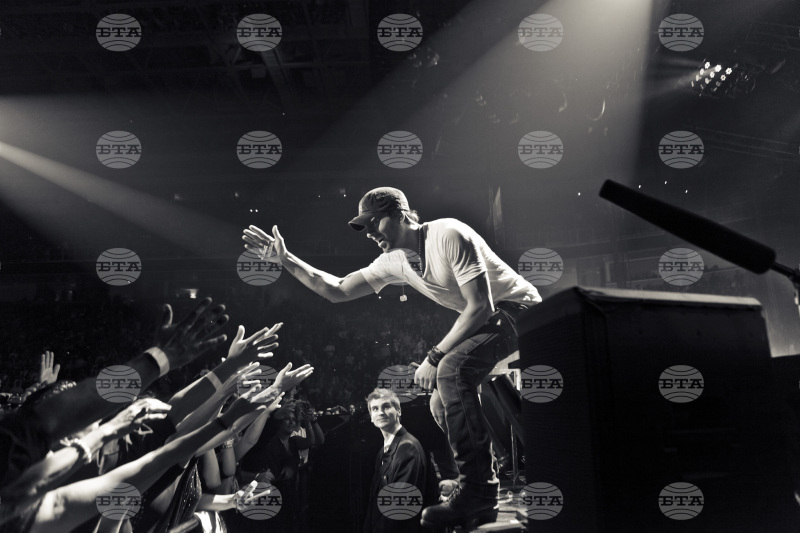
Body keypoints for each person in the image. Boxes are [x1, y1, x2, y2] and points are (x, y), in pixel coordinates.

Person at [242, 186, 541, 528]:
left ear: (400, 214)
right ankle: (491, 477)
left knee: (450, 370)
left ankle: (479, 492)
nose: (369, 232)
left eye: (374, 223)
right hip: (489, 322)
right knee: (439, 403)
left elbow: (481, 306)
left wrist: (434, 355)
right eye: (363, 227)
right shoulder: (395, 261)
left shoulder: (448, 234)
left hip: (521, 313)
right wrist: (285, 259)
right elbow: (336, 290)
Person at [363, 388, 429, 533]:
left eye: (386, 406)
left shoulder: (407, 447)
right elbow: (374, 503)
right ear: (371, 416)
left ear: (398, 411)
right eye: (375, 409)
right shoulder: (383, 451)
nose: (380, 412)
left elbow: (397, 510)